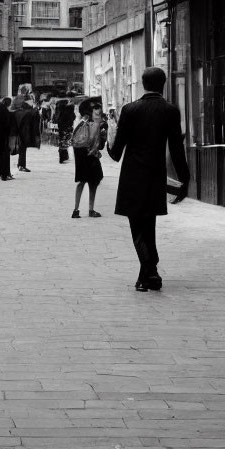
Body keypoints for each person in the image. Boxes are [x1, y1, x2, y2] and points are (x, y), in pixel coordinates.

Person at [107, 67, 190, 292]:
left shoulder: (130, 109)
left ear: (142, 83)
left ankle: (150, 272)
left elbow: (115, 153)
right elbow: (176, 149)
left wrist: (109, 137)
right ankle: (148, 274)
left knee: (138, 228)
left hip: (132, 176)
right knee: (149, 226)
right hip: (155, 176)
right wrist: (185, 179)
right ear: (163, 84)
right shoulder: (170, 111)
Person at [71, 99, 104, 218]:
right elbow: (95, 143)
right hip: (89, 156)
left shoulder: (81, 122)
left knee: (82, 182)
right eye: (97, 113)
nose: (99, 116)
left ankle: (76, 209)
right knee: (93, 183)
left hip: (81, 155)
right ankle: (90, 209)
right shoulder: (93, 124)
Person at [15, 96, 40, 173]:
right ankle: (21, 165)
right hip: (25, 132)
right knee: (23, 148)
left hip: (19, 131)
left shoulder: (19, 110)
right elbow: (34, 118)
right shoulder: (29, 111)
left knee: (22, 148)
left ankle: (20, 164)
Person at [55, 92, 76, 163]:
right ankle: (63, 157)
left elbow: (57, 113)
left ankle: (64, 156)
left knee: (62, 139)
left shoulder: (59, 103)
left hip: (60, 124)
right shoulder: (69, 105)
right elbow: (71, 116)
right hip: (67, 124)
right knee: (65, 139)